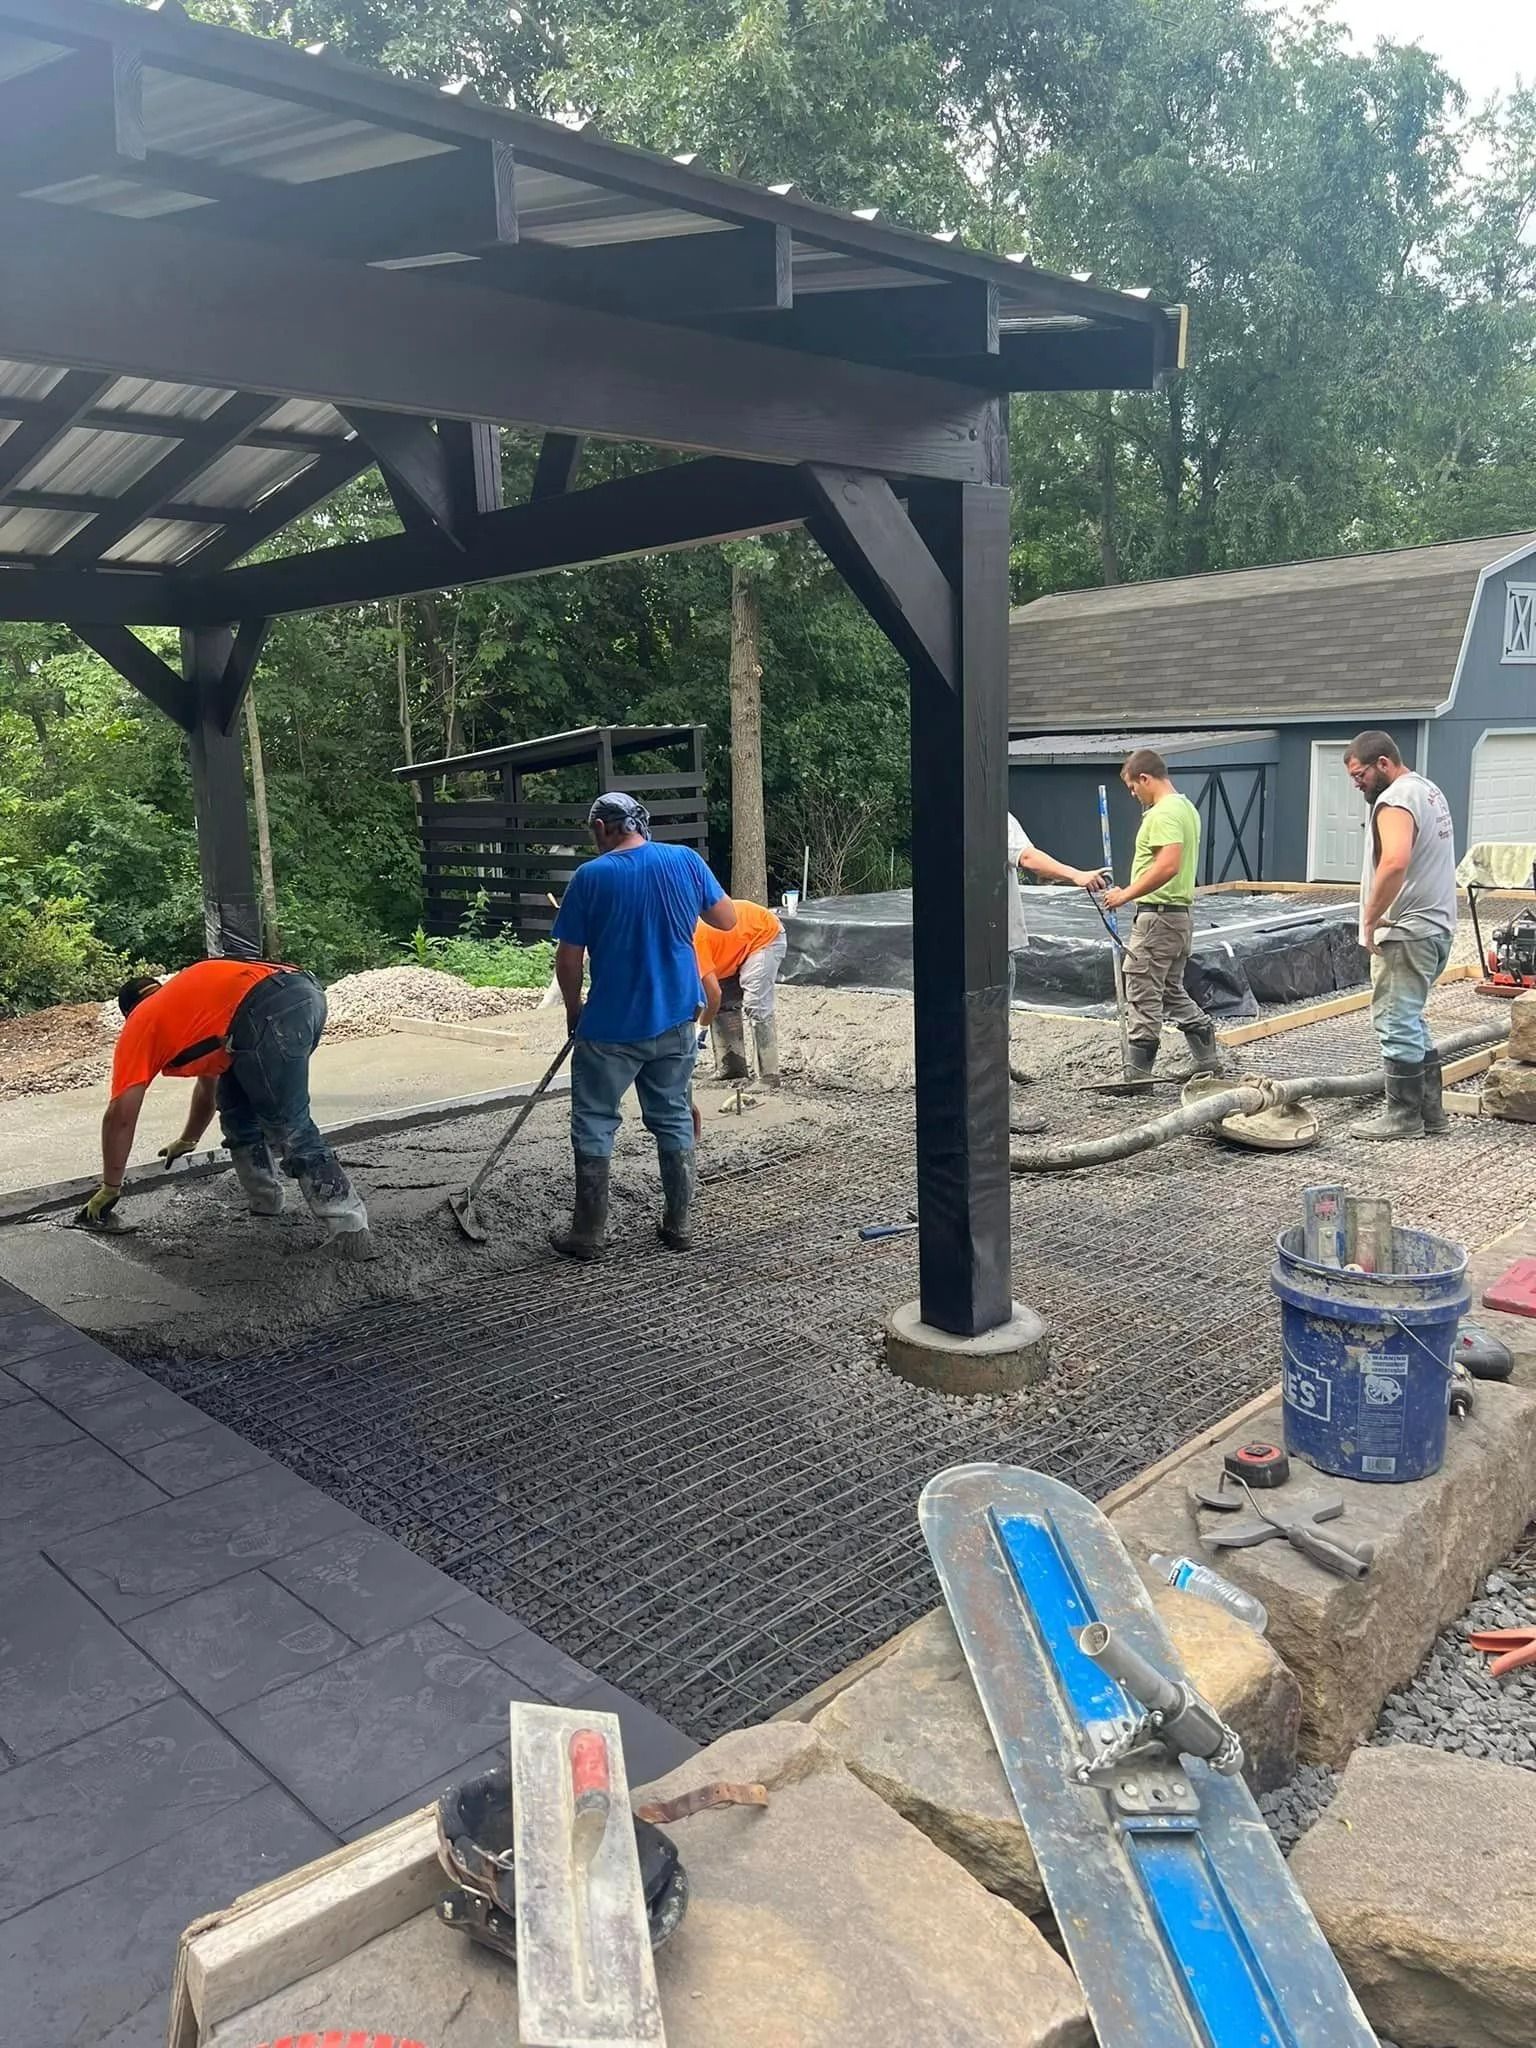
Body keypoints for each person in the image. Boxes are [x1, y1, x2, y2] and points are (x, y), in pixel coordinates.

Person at [76, 958, 374, 1256]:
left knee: (288, 1124)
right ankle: (265, 1201)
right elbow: (209, 1089)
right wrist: (187, 1139)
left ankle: (349, 1228)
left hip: (266, 1010)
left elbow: (120, 1116)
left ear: (129, 1012)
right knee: (236, 1106)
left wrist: (110, 1187)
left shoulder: (142, 1020)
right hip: (304, 994)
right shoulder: (191, 1002)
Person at [550, 792, 735, 1260]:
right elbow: (726, 919)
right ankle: (679, 1225)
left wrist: (574, 1010)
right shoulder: (684, 861)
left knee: (594, 1122)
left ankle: (588, 1234)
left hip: (611, 1026)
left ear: (603, 827)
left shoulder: (591, 877)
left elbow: (569, 958)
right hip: (676, 1017)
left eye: (592, 831)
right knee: (673, 1116)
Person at [1344, 730, 1458, 1141]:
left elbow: (1394, 861)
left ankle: (1403, 1116)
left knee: (1395, 1020)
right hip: (1435, 927)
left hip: (1407, 930)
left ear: (1384, 764)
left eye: (1360, 775)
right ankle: (1431, 1115)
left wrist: (1371, 918)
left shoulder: (1395, 800)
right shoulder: (1428, 791)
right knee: (1411, 1018)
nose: (1357, 783)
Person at [1099, 749, 1219, 1082]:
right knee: (1168, 988)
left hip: (1158, 916)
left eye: (1133, 788)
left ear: (1145, 778)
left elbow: (1168, 866)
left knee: (1141, 986)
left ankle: (1138, 1075)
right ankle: (1206, 1059)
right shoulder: (1186, 808)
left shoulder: (1163, 813)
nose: (1134, 795)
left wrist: (1125, 894)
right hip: (1178, 916)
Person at [1006, 814, 1108, 1094]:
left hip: (960, 938)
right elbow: (1026, 857)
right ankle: (994, 1090)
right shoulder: (992, 812)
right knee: (992, 1012)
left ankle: (996, 1065)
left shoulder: (949, 808)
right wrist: (1076, 874)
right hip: (992, 938)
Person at [695, 898, 788, 1089]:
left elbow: (712, 995)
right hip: (734, 945)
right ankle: (732, 1068)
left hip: (762, 935)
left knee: (756, 1004)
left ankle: (769, 1077)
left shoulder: (693, 943)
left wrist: (701, 1027)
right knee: (724, 1004)